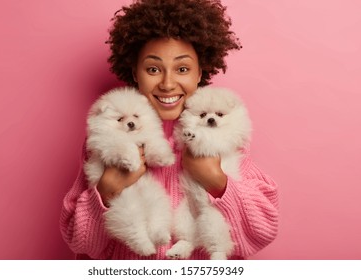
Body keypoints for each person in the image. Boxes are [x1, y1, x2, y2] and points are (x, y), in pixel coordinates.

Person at [60, 0, 279, 260]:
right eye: (153, 69)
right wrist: (106, 191)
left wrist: (216, 181)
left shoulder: (223, 134)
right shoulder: (109, 136)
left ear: (200, 73)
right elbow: (79, 240)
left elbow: (261, 231)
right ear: (135, 72)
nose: (167, 83)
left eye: (183, 69)